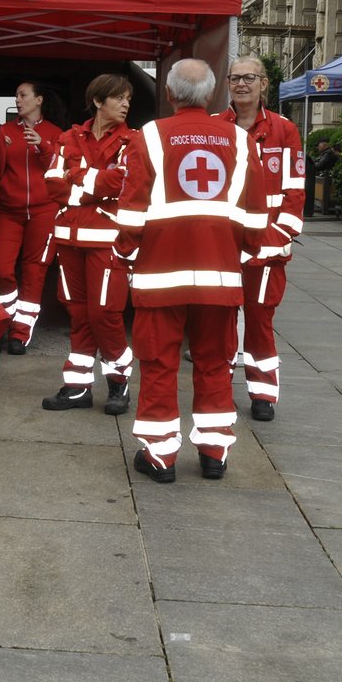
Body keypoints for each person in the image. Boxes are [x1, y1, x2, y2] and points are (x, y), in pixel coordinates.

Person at [114, 59, 268, 483]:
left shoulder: (149, 136)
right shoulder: (240, 140)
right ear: (215, 96)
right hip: (220, 278)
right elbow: (257, 216)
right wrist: (242, 253)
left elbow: (132, 209)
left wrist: (124, 253)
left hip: (160, 277)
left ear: (169, 93)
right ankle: (214, 453)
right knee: (215, 364)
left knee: (159, 363)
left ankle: (160, 457)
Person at [41, 74, 136, 414]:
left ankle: (118, 380)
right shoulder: (68, 138)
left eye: (128, 98)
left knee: (105, 314)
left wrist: (78, 176)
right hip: (69, 238)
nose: (126, 104)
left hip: (107, 241)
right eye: (119, 98)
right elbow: (52, 183)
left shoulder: (132, 142)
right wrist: (95, 187)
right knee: (79, 314)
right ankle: (78, 386)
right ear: (98, 101)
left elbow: (123, 183)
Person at [219, 56, 305, 422]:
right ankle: (218, 388)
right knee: (219, 321)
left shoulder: (285, 131)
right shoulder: (214, 129)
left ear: (264, 83)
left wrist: (280, 235)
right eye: (235, 78)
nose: (242, 84)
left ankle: (263, 393)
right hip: (222, 246)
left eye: (249, 78)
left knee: (259, 321)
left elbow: (295, 191)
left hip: (266, 249)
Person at [0, 81, 64, 354]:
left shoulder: (56, 133)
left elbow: (61, 172)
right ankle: (7, 319)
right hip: (9, 211)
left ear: (39, 99)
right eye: (16, 95)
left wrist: (43, 147)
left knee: (35, 272)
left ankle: (20, 333)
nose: (18, 100)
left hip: (45, 212)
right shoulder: (5, 132)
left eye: (23, 95)